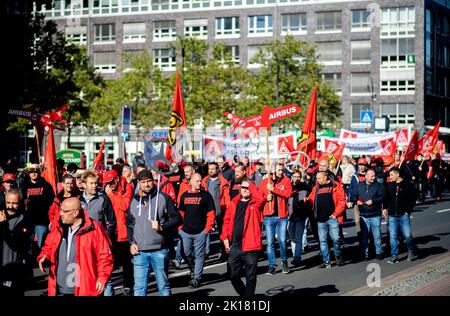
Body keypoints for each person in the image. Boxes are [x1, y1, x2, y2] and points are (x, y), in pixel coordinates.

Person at [37, 197, 114, 296]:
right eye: (61, 210)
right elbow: (49, 245)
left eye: (64, 211)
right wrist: (44, 255)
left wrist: (102, 277)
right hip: (58, 286)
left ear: (75, 213)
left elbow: (105, 256)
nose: (60, 214)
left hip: (82, 287)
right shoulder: (59, 227)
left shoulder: (93, 229)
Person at [126, 170, 181, 296]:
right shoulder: (134, 201)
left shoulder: (163, 198)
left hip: (160, 250)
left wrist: (162, 227)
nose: (147, 184)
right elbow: (129, 224)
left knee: (163, 286)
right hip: (139, 251)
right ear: (139, 183)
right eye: (143, 182)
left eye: (149, 181)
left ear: (153, 181)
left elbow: (177, 218)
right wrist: (131, 243)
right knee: (139, 288)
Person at [221, 178, 265, 297]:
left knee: (250, 277)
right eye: (243, 188)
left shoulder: (256, 203)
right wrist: (225, 239)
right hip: (235, 245)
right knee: (232, 275)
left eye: (248, 188)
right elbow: (226, 221)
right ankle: (245, 295)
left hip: (251, 246)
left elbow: (261, 198)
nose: (245, 190)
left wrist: (251, 186)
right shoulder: (234, 203)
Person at [178, 173, 216, 288]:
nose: (199, 183)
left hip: (200, 232)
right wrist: (180, 228)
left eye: (200, 181)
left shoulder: (206, 196)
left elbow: (211, 213)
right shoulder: (184, 196)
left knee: (199, 255)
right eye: (197, 181)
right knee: (186, 253)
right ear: (191, 182)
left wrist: (207, 228)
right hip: (186, 231)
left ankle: (196, 278)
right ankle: (192, 268)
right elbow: (181, 213)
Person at [103, 169, 134, 296]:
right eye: (106, 183)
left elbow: (125, 205)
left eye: (111, 182)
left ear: (117, 179)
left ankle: (128, 286)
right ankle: (109, 289)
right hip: (111, 231)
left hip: (124, 232)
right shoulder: (107, 190)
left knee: (126, 263)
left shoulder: (127, 187)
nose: (109, 185)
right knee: (109, 262)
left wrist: (111, 195)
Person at [306, 172, 346, 268]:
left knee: (336, 239)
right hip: (320, 219)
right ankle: (326, 261)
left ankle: (337, 255)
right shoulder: (317, 187)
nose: (317, 180)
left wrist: (335, 214)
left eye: (319, 178)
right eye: (317, 178)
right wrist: (306, 200)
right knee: (323, 241)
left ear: (325, 177)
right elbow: (311, 198)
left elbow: (342, 201)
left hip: (332, 218)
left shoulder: (335, 186)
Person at [260, 163, 293, 275]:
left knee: (282, 241)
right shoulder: (265, 182)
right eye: (278, 170)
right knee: (270, 243)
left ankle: (284, 262)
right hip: (269, 217)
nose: (281, 172)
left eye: (281, 170)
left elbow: (288, 194)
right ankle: (272, 265)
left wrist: (274, 189)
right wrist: (266, 198)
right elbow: (259, 198)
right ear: (273, 171)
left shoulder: (286, 181)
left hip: (282, 216)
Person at [0, 189, 32, 295]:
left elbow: (15, 244)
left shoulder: (24, 219)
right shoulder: (1, 214)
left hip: (13, 270)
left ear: (21, 202)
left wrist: (3, 224)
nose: (10, 206)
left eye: (14, 203)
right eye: (8, 202)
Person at [383, 167, 417, 263]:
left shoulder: (407, 184)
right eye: (389, 175)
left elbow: (412, 199)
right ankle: (394, 256)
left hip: (403, 215)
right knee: (393, 236)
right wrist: (385, 208)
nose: (390, 177)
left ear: (398, 175)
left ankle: (411, 250)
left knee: (407, 235)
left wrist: (408, 211)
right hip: (392, 215)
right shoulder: (390, 185)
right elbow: (386, 197)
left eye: (392, 175)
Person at [351, 169, 385, 261]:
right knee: (364, 236)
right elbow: (353, 195)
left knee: (377, 235)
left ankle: (378, 253)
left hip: (375, 214)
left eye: (374, 176)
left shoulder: (378, 185)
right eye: (371, 176)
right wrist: (356, 201)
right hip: (364, 214)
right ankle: (364, 254)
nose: (373, 178)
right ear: (366, 176)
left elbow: (382, 197)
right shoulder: (360, 185)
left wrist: (373, 201)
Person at [22, 164, 55, 252]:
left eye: (36, 172)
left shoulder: (46, 185)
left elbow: (52, 201)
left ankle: (42, 260)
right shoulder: (24, 185)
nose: (34, 174)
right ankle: (29, 263)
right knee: (28, 243)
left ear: (39, 172)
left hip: (42, 219)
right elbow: (20, 200)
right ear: (28, 174)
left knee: (42, 243)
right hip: (28, 220)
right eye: (31, 172)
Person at [201, 162, 230, 259]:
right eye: (209, 169)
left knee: (222, 232)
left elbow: (227, 198)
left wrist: (227, 210)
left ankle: (223, 251)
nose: (211, 170)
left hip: (220, 210)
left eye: (213, 168)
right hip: (207, 211)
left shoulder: (223, 182)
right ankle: (205, 253)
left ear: (217, 169)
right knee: (206, 231)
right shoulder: (204, 182)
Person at [79, 171, 117, 242]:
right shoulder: (78, 200)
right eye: (91, 183)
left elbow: (111, 222)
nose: (95, 186)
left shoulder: (103, 199)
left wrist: (106, 238)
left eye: (96, 183)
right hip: (82, 240)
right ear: (84, 184)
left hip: (98, 240)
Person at [288, 171, 311, 267]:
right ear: (292, 177)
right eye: (295, 176)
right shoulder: (288, 187)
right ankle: (296, 248)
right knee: (291, 234)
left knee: (298, 237)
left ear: (301, 177)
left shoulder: (305, 187)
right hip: (291, 215)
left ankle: (297, 258)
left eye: (298, 176)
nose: (296, 178)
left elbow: (311, 196)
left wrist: (308, 199)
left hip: (301, 215)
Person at [347, 158, 368, 235]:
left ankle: (369, 237)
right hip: (357, 201)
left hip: (368, 201)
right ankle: (360, 237)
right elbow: (351, 189)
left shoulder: (369, 174)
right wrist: (349, 200)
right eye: (360, 165)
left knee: (368, 220)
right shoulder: (355, 176)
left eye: (363, 165)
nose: (362, 167)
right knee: (358, 221)